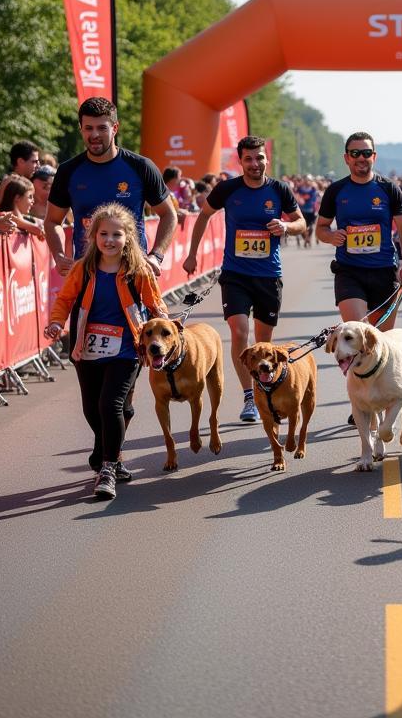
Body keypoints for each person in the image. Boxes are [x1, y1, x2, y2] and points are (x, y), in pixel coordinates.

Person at [44, 203, 167, 500]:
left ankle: (109, 467)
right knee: (94, 409)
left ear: (128, 238)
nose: (109, 240)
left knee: (109, 404)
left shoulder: (138, 270)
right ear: (94, 236)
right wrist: (56, 322)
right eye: (103, 234)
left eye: (116, 234)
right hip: (87, 348)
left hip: (126, 348)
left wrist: (167, 325)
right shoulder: (82, 269)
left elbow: (155, 304)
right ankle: (106, 447)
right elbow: (64, 299)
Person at [183, 135, 305, 423]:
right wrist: (192, 254)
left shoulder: (279, 190)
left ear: (266, 159)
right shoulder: (228, 189)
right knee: (239, 331)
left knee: (263, 344)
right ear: (241, 161)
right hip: (235, 274)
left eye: (259, 158)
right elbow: (203, 216)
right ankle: (249, 396)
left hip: (268, 276)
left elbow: (302, 223)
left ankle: (265, 392)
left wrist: (286, 227)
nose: (254, 163)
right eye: (248, 159)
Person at [44, 97, 176, 274]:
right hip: (87, 274)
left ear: (115, 128)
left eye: (102, 128)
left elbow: (168, 214)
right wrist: (59, 255)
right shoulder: (68, 171)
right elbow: (52, 221)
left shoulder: (141, 167)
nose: (95, 135)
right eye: (88, 128)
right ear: (81, 129)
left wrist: (156, 255)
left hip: (133, 272)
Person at [316, 132, 402, 330]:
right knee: (357, 333)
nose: (361, 157)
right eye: (355, 153)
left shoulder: (389, 189)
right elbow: (320, 229)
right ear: (347, 158)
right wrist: (331, 236)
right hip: (349, 271)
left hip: (384, 271)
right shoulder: (335, 190)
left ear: (374, 156)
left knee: (381, 342)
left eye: (366, 153)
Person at [295, 174, 320, 248]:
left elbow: (316, 200)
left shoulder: (313, 189)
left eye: (309, 180)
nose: (307, 182)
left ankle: (307, 238)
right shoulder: (299, 189)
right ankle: (306, 238)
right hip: (302, 210)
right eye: (306, 180)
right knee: (303, 227)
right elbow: (295, 196)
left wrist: (316, 208)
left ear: (311, 181)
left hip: (311, 211)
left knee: (311, 227)